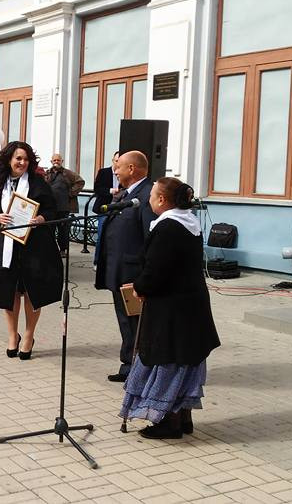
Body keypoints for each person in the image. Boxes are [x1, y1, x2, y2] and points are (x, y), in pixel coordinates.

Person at [119, 178, 220, 439]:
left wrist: (140, 286)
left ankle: (169, 423)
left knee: (168, 362)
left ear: (162, 200)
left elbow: (156, 271)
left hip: (171, 309)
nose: (150, 198)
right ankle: (184, 418)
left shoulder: (168, 228)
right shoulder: (190, 223)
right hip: (190, 305)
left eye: (153, 194)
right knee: (185, 362)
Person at [0, 141, 63, 360]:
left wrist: (40, 218)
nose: (22, 162)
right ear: (9, 159)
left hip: (34, 245)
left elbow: (52, 210)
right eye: (18, 158)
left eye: (26, 159)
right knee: (8, 291)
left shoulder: (38, 183)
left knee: (32, 291)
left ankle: (28, 336)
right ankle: (13, 335)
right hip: (5, 243)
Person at [95, 151, 156, 382]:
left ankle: (137, 369)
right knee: (125, 321)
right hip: (118, 270)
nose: (116, 171)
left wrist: (144, 276)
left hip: (133, 273)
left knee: (136, 322)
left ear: (132, 169)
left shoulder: (148, 194)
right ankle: (129, 365)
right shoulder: (126, 194)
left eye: (119, 167)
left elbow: (150, 238)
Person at [46, 153, 85, 254]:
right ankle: (51, 250)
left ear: (62, 161)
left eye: (58, 160)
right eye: (54, 160)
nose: (56, 162)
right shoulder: (47, 174)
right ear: (51, 162)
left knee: (63, 230)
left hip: (64, 207)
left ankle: (63, 250)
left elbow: (80, 182)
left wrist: (71, 193)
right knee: (50, 229)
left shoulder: (68, 173)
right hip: (50, 207)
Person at [92, 152, 120, 266]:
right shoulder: (104, 172)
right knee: (102, 235)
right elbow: (97, 188)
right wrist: (110, 190)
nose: (118, 164)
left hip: (119, 208)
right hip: (105, 208)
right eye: (116, 161)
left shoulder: (125, 173)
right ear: (113, 160)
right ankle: (97, 261)